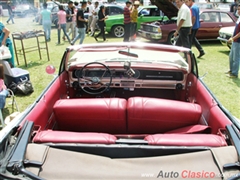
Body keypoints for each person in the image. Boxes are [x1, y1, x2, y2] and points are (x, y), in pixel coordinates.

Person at [226, 5, 240, 78]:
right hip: (235, 40)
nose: (238, 11)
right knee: (231, 56)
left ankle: (235, 73)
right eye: (238, 9)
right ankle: (231, 70)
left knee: (236, 58)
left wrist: (233, 38)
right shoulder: (239, 18)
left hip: (238, 41)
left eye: (239, 9)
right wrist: (232, 37)